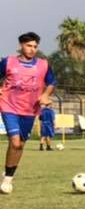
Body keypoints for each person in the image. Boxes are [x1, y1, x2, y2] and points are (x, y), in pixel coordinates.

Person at [0, 32, 56, 196]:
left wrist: (46, 94)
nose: (32, 49)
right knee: (15, 142)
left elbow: (51, 82)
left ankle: (8, 174)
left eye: (35, 47)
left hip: (30, 110)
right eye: (28, 45)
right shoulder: (8, 62)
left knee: (21, 145)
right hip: (9, 106)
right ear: (21, 46)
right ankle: (7, 181)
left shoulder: (43, 65)